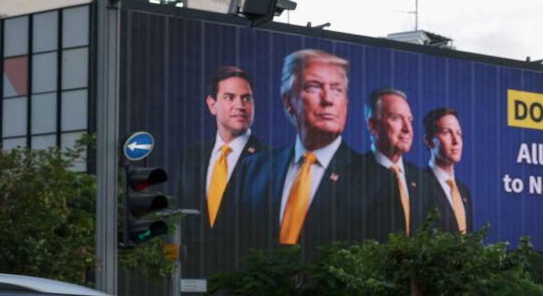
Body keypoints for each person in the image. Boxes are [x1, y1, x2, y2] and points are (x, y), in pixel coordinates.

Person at [223, 49, 364, 252]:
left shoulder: (376, 179)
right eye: (314, 87)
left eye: (337, 90)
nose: (328, 99)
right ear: (288, 101)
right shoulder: (253, 170)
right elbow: (230, 245)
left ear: (346, 103)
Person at [175, 66, 267, 230]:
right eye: (229, 97)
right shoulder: (190, 157)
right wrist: (171, 255)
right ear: (212, 105)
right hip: (193, 255)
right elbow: (178, 220)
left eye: (246, 98)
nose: (240, 105)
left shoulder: (270, 160)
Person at [358, 87, 431, 238]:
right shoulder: (352, 175)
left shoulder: (423, 180)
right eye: (396, 118)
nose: (407, 129)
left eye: (409, 120)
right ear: (372, 125)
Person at [422, 107, 472, 233]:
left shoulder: (464, 192)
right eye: (447, 132)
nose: (456, 141)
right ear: (429, 141)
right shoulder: (420, 186)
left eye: (459, 133)